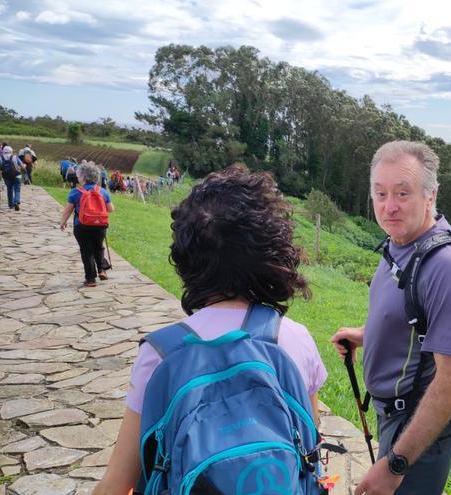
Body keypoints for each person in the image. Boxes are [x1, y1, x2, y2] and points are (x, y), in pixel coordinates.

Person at [93, 165, 327, 494]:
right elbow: (309, 449)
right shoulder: (296, 339)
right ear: (272, 251)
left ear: (187, 257)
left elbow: (118, 483)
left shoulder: (162, 353)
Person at [331, 141, 451, 495]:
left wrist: (396, 464)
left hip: (418, 426)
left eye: (402, 193)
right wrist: (367, 334)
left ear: (430, 195)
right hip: (392, 417)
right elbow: (416, 323)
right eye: (380, 193)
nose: (389, 206)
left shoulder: (445, 267)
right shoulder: (398, 244)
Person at [59, 161, 114, 287]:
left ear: (83, 177)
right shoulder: (102, 191)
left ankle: (90, 279)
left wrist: (63, 222)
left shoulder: (75, 192)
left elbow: (68, 210)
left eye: (78, 175)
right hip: (100, 226)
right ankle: (101, 270)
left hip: (82, 226)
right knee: (98, 247)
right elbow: (111, 209)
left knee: (86, 251)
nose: (77, 177)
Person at [0, 145, 24, 210]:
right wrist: (22, 171)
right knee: (17, 190)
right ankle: (16, 202)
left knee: (9, 190)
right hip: (17, 176)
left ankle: (10, 205)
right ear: (11, 151)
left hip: (6, 177)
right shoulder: (15, 157)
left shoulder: (0, 158)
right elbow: (22, 166)